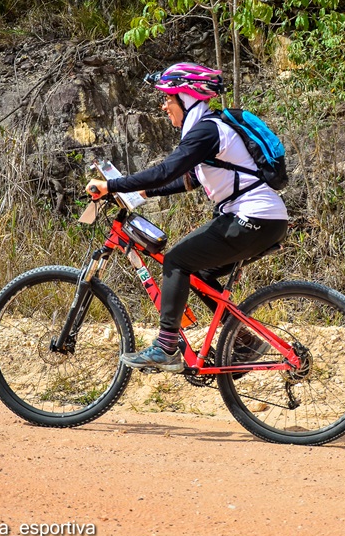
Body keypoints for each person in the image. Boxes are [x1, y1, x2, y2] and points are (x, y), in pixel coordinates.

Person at [85, 62, 289, 372]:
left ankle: (166, 347)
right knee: (200, 274)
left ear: (186, 97)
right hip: (263, 219)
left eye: (168, 98)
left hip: (252, 217)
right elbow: (188, 179)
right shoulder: (209, 129)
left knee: (176, 261)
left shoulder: (207, 130)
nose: (163, 105)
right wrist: (144, 193)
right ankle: (246, 341)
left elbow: (166, 170)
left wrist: (110, 185)